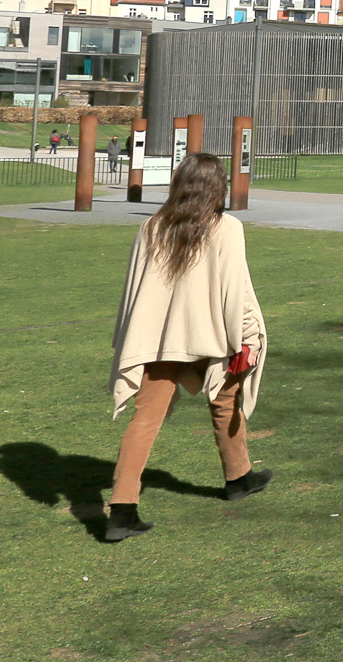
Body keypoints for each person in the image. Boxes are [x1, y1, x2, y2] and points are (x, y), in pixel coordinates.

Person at [104, 153, 270, 542]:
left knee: (148, 419)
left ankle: (236, 478)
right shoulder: (225, 227)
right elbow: (238, 291)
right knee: (224, 400)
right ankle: (236, 480)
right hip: (208, 335)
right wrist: (248, 335)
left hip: (161, 339)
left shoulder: (153, 226)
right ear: (218, 187)